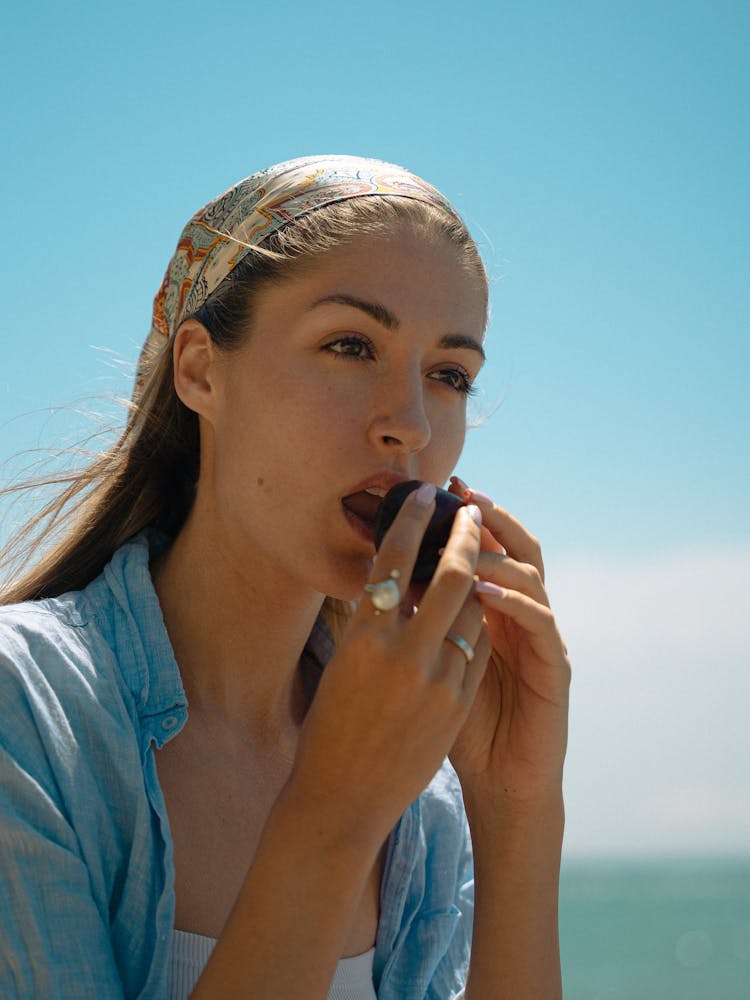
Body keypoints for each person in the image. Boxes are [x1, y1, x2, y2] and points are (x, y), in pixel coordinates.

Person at [0, 155, 571, 999]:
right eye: (350, 346)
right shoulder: (28, 713)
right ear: (199, 370)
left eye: (448, 375)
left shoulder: (422, 792)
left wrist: (516, 808)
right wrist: (331, 817)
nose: (408, 425)